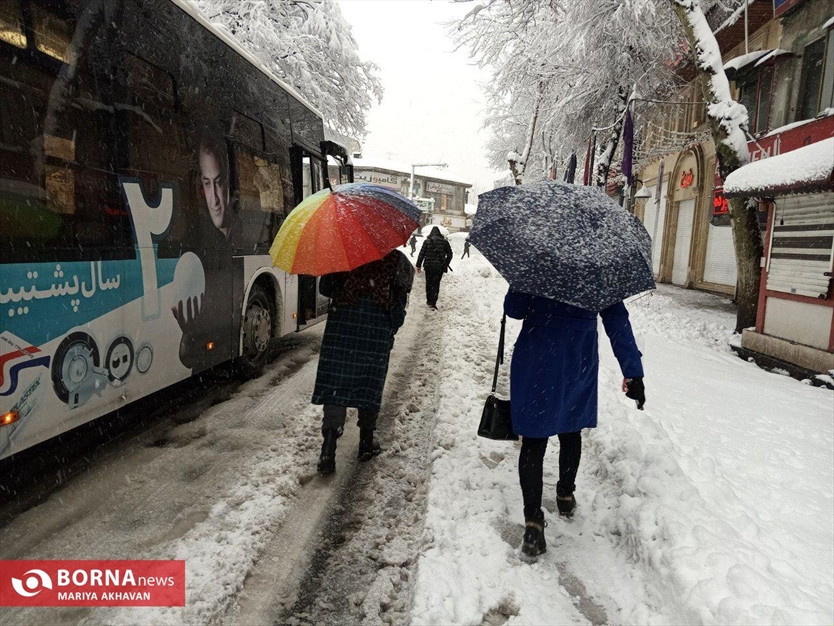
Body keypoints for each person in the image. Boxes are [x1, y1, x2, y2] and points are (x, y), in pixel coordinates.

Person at [504, 290, 645, 559]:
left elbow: (513, 309)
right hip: (576, 361)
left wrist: (520, 284)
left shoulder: (536, 264)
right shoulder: (597, 271)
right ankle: (565, 495)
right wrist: (633, 371)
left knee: (533, 441)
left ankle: (533, 522)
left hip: (537, 360)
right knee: (571, 430)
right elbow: (617, 322)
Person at [313, 249, 414, 474]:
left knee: (336, 386)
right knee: (369, 384)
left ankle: (329, 444)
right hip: (375, 331)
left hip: (342, 328)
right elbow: (400, 303)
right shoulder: (397, 261)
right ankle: (366, 441)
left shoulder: (341, 257)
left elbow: (325, 289)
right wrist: (390, 328)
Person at [416, 227, 453, 310]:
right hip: (439, 267)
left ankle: (429, 300)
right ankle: (433, 302)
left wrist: (418, 265)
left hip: (428, 266)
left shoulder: (427, 241)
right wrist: (446, 263)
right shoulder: (444, 242)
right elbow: (450, 254)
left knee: (429, 283)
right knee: (436, 284)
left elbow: (421, 254)